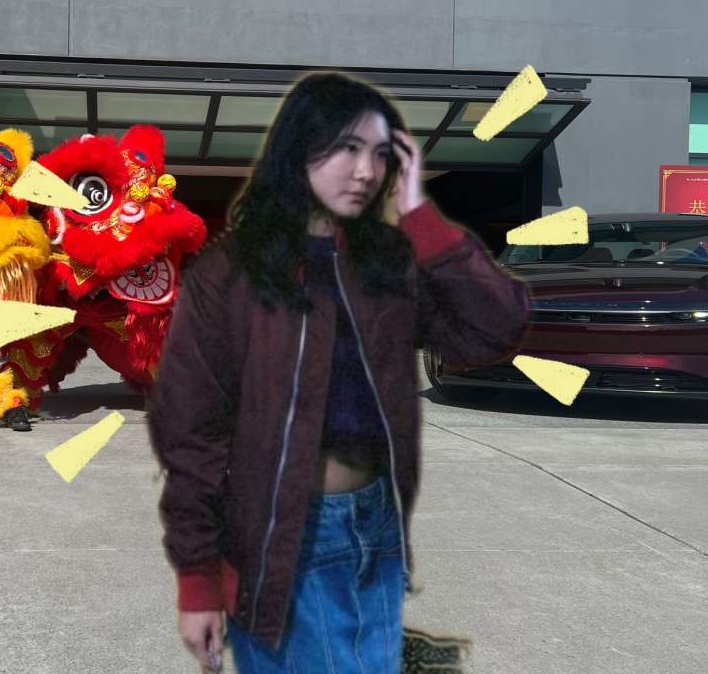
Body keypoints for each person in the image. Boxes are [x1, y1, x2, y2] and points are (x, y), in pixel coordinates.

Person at [148, 72, 530, 673]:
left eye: (381, 154)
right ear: (300, 146)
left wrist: (420, 216)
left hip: (377, 525)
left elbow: (496, 328)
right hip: (287, 533)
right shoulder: (232, 271)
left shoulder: (387, 260)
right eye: (347, 148)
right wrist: (197, 579)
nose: (365, 171)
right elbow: (190, 430)